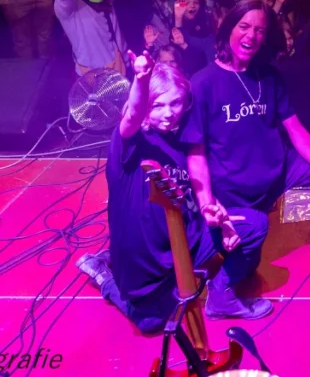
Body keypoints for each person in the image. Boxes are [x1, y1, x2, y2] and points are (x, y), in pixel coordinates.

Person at [183, 1, 310, 318]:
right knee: (241, 267)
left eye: (259, 29)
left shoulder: (268, 76)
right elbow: (196, 154)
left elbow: (294, 126)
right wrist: (207, 204)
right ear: (228, 29)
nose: (251, 36)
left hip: (280, 169)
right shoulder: (203, 82)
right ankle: (218, 290)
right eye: (244, 27)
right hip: (234, 193)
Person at [76, 51, 268, 332]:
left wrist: (214, 213)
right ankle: (105, 278)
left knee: (254, 225)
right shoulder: (129, 143)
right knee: (151, 323)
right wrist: (141, 81)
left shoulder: (183, 140)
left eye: (176, 102)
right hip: (147, 264)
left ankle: (221, 297)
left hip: (184, 245)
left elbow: (192, 193)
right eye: (158, 106)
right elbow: (132, 116)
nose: (169, 113)